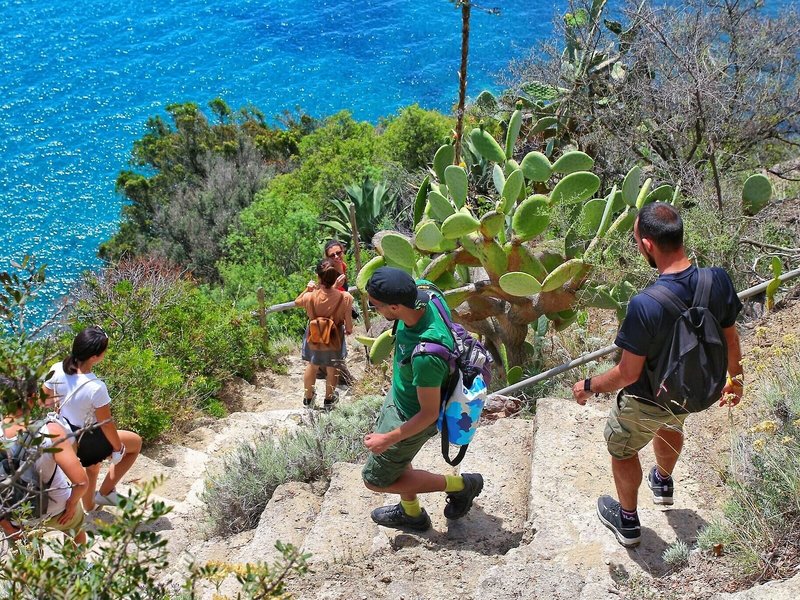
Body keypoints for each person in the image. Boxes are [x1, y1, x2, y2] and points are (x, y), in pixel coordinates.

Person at [572, 202, 743, 547]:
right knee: (672, 424)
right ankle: (663, 481)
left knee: (621, 449)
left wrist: (588, 385)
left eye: (637, 241)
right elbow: (731, 336)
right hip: (692, 389)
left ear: (648, 245)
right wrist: (735, 379)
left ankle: (628, 522)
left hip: (647, 398)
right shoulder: (718, 280)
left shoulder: (644, 304)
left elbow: (625, 373)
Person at [361, 267, 483, 532]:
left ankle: (462, 486)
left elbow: (428, 415)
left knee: (375, 481)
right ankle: (411, 513)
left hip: (411, 415)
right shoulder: (427, 290)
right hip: (401, 395)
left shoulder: (427, 356)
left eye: (375, 306)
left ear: (393, 307)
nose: (374, 309)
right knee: (400, 464)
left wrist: (388, 438)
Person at [43, 326, 142, 512]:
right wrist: (117, 448)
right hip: (87, 440)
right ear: (95, 357)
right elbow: (106, 424)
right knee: (135, 444)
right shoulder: (96, 387)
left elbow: (45, 401)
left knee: (93, 467)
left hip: (64, 435)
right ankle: (105, 493)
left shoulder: (57, 369)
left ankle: (89, 507)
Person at [1, 376, 88, 545]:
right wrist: (72, 503)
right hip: (58, 511)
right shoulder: (50, 432)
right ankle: (79, 569)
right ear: (33, 398)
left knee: (25, 561)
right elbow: (82, 482)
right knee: (76, 529)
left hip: (16, 517)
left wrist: (7, 526)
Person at [295, 259, 354, 409]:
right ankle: (329, 399)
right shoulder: (346, 297)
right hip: (334, 336)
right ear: (336, 278)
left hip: (314, 334)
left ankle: (308, 398)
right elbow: (349, 327)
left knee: (312, 365)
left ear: (319, 277)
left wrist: (307, 290)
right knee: (332, 366)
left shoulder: (310, 297)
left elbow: (297, 302)